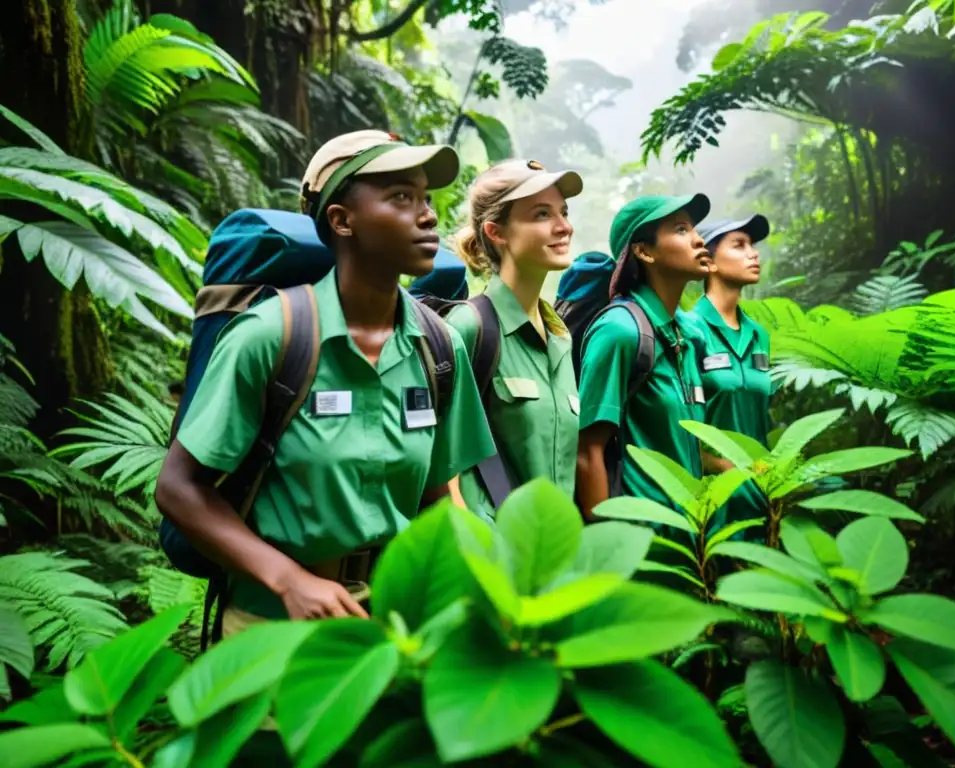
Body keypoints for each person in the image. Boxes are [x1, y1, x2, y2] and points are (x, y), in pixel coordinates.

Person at [155, 130, 495, 632]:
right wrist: (288, 580)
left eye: (426, 198)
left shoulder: (438, 346)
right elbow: (179, 489)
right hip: (273, 622)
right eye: (400, 197)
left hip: (397, 621)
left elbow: (436, 497)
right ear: (342, 220)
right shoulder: (271, 338)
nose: (427, 215)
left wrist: (489, 580)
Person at [446, 159, 584, 519]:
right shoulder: (470, 328)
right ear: (496, 232)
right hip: (493, 558)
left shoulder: (559, 337)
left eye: (563, 212)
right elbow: (443, 467)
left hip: (552, 560)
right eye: (542, 214)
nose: (564, 226)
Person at [575, 194, 712, 522]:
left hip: (691, 542)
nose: (699, 239)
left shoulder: (686, 337)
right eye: (680, 229)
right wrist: (608, 550)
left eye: (694, 228)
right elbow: (587, 452)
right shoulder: (619, 331)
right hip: (641, 542)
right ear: (644, 251)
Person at [692, 214, 773, 539]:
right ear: (709, 262)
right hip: (712, 500)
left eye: (752, 246)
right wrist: (725, 467)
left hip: (761, 493)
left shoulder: (760, 336)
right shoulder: (688, 329)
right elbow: (677, 424)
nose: (753, 253)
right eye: (739, 245)